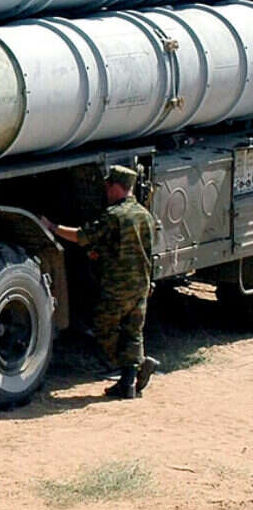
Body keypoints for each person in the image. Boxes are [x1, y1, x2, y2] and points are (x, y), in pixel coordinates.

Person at [41, 165, 160, 399]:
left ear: (116, 187)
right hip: (140, 283)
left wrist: (52, 227)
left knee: (103, 329)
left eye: (107, 186)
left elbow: (81, 236)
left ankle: (136, 366)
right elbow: (142, 249)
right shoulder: (144, 215)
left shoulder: (114, 215)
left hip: (117, 285)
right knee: (133, 332)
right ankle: (127, 384)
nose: (105, 191)